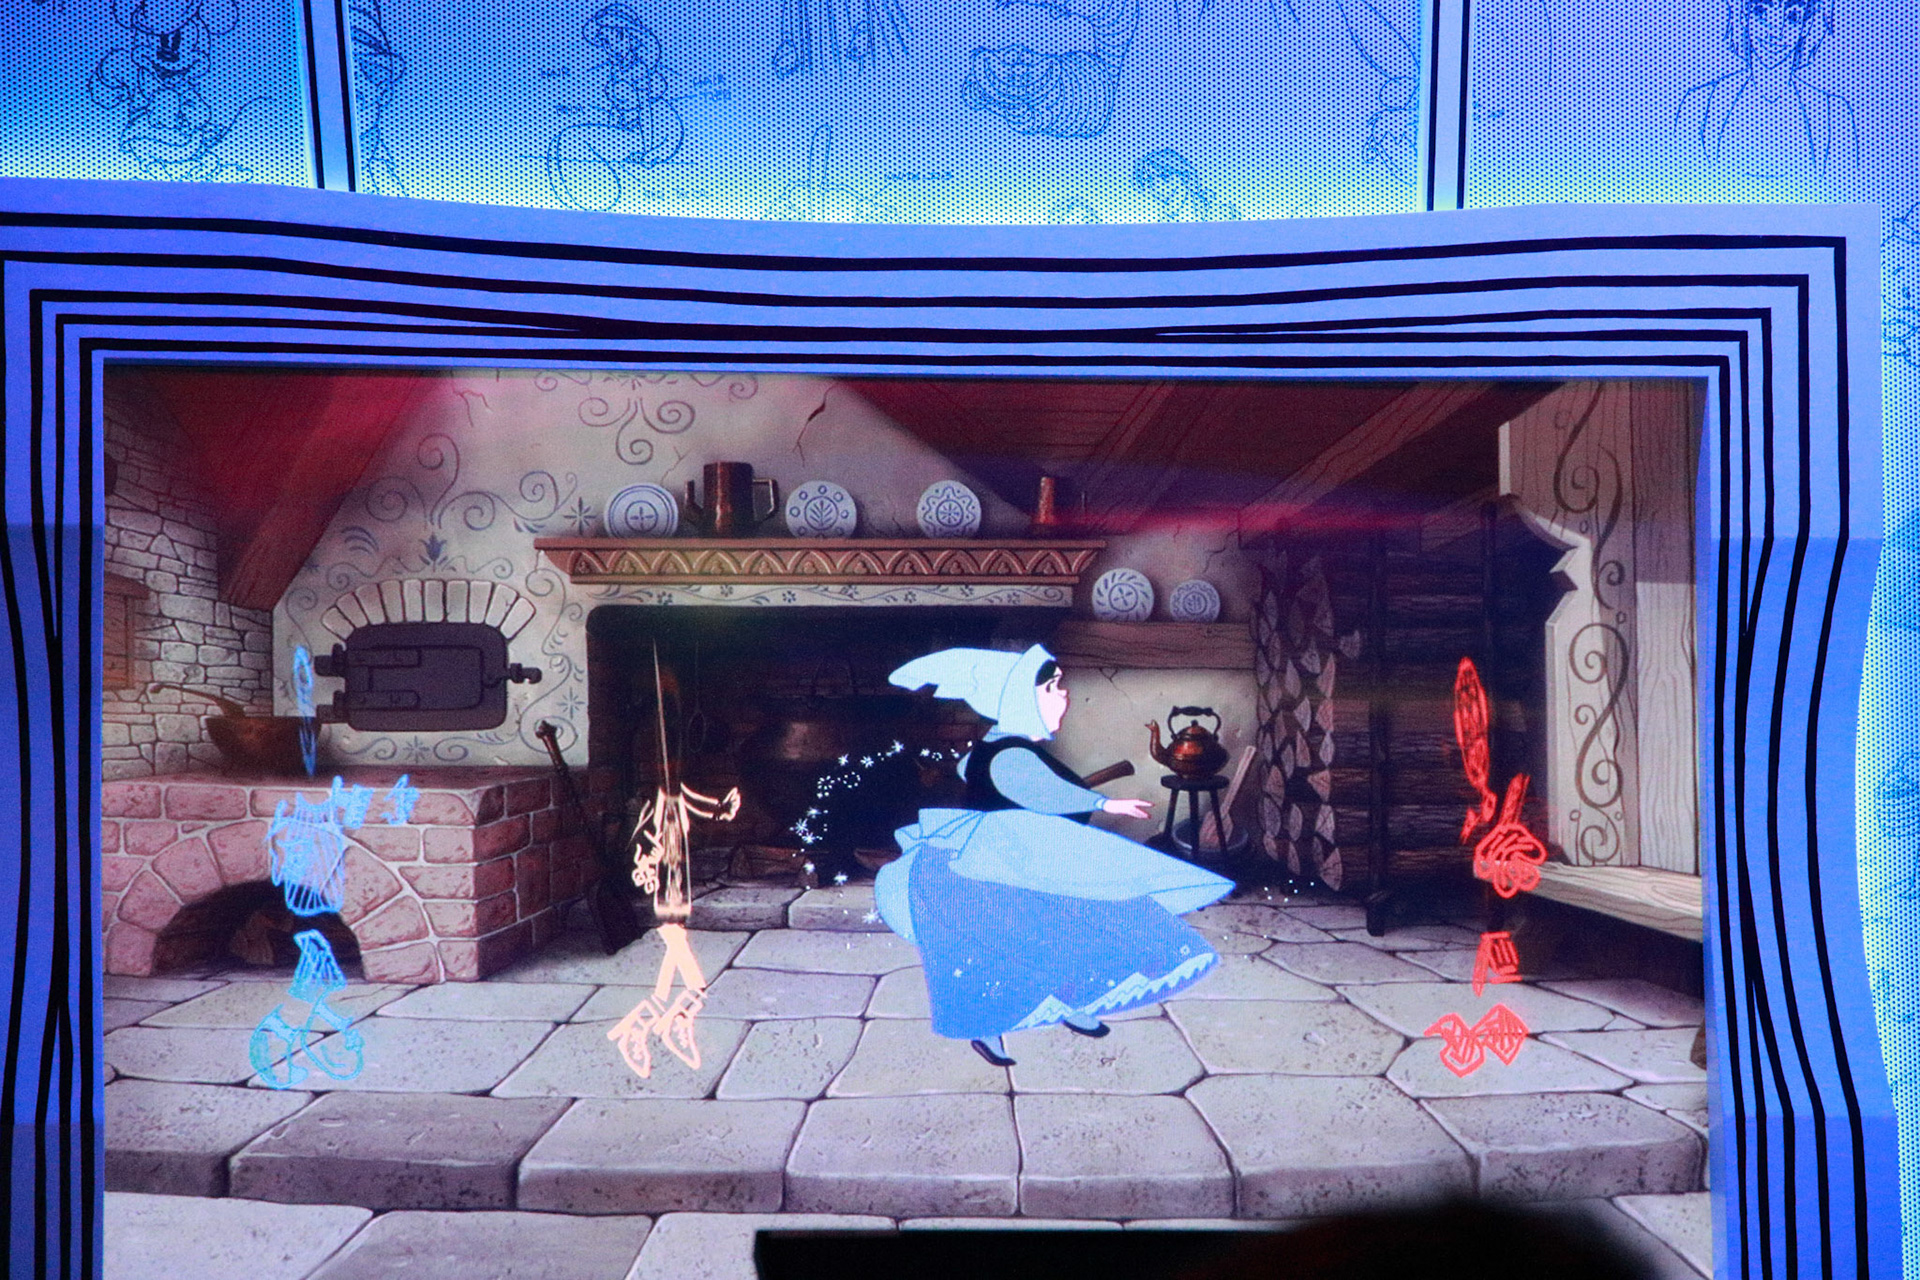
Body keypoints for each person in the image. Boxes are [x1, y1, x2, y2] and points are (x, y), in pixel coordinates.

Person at [877, 644, 1233, 1066]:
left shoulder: (997, 746)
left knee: (1064, 927)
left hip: (1017, 854)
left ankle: (1069, 1001)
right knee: (993, 948)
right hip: (986, 865)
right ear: (1021, 700)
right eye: (1052, 688)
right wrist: (1105, 804)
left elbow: (982, 773)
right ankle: (987, 1028)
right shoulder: (1009, 755)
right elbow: (1041, 793)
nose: (1064, 695)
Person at [1676, 0, 1859, 180]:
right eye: (1761, 11)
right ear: (1744, 16)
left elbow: (1847, 186)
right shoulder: (1699, 105)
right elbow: (1684, 181)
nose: (1776, 31)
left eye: (1792, 16)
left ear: (1806, 24)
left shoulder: (1835, 115)